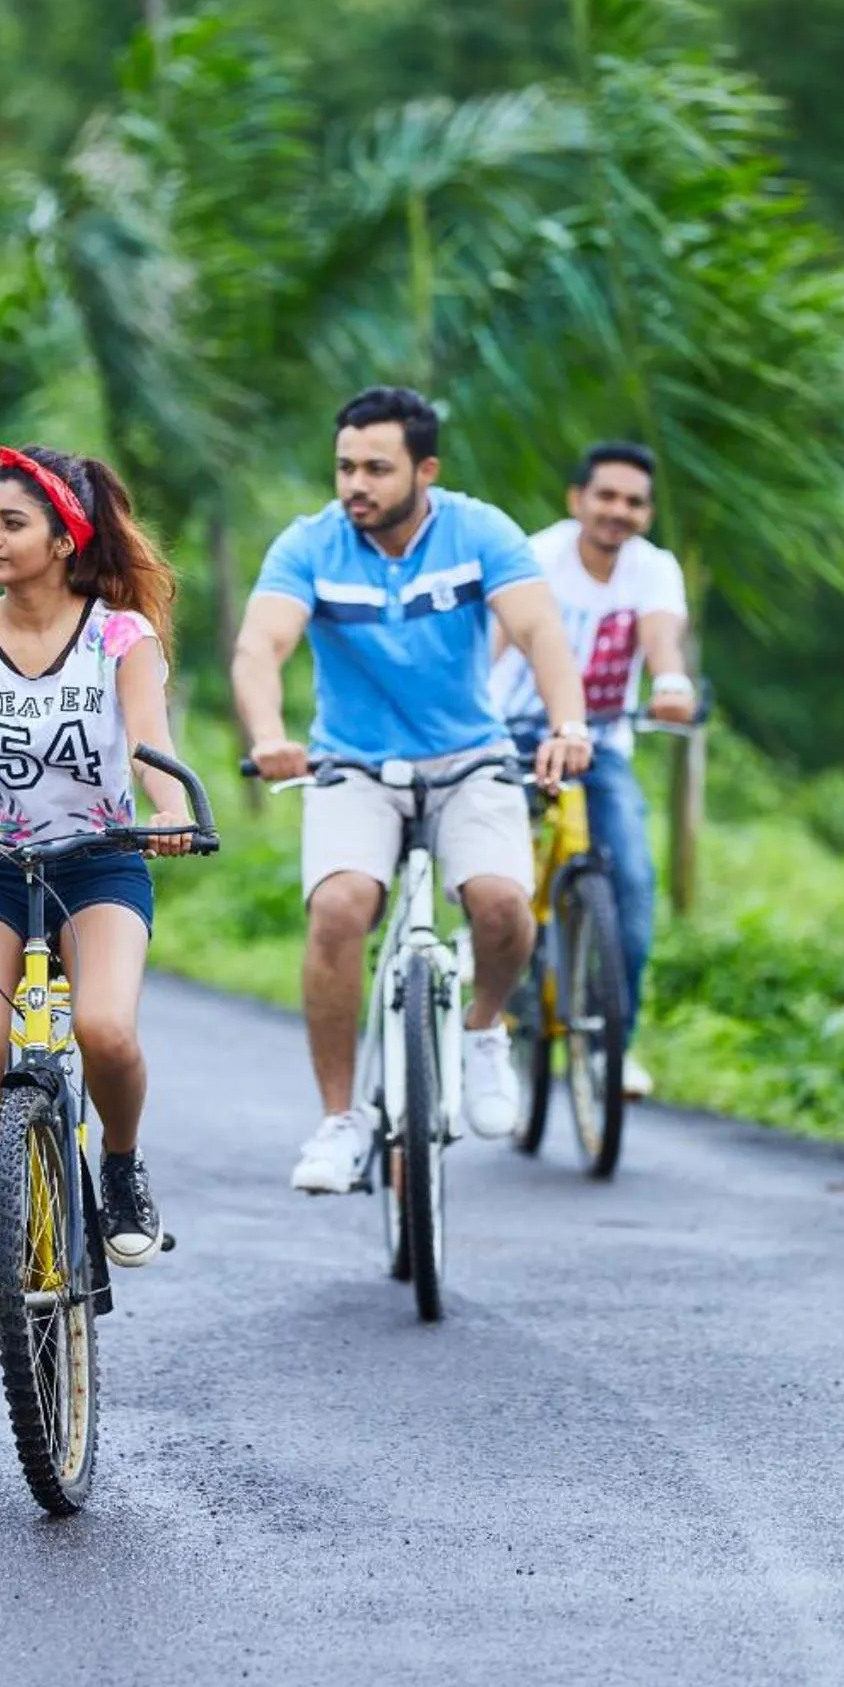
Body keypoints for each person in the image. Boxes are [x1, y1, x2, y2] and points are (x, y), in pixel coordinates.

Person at [0, 444, 194, 1360]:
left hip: (99, 861)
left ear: (64, 539)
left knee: (105, 1032)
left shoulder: (120, 638)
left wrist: (168, 809)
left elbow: (149, 745)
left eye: (11, 522)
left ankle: (122, 1169)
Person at [231, 386, 594, 1193]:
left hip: (469, 760)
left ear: (425, 470)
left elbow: (538, 631)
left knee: (500, 903)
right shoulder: (309, 545)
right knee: (339, 907)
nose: (354, 484)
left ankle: (483, 1030)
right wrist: (267, 737)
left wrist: (567, 726)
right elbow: (261, 648)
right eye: (344, 467)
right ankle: (338, 1122)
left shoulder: (478, 531)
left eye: (376, 469)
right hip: (350, 767)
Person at [489, 439, 693, 1098]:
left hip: (602, 744)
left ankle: (612, 1046)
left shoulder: (652, 570)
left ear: (646, 513)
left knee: (631, 880)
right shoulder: (536, 556)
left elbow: (661, 639)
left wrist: (671, 684)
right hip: (514, 732)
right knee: (489, 866)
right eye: (605, 496)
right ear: (577, 499)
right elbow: (492, 642)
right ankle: (483, 971)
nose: (618, 511)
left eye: (633, 502)